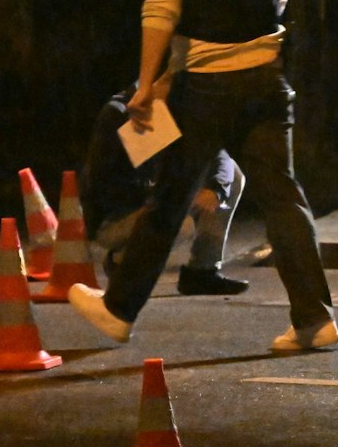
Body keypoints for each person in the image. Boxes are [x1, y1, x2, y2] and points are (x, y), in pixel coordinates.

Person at [69, 0, 338, 350]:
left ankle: (119, 310)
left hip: (205, 87)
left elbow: (159, 11)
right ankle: (315, 317)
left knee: (170, 198)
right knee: (285, 199)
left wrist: (147, 84)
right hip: (265, 81)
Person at [80, 84, 250, 296]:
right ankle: (121, 263)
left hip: (156, 200)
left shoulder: (176, 106)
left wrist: (215, 189)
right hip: (115, 218)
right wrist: (154, 203)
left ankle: (202, 271)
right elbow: (100, 186)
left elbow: (218, 152)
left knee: (230, 176)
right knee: (180, 223)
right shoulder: (121, 115)